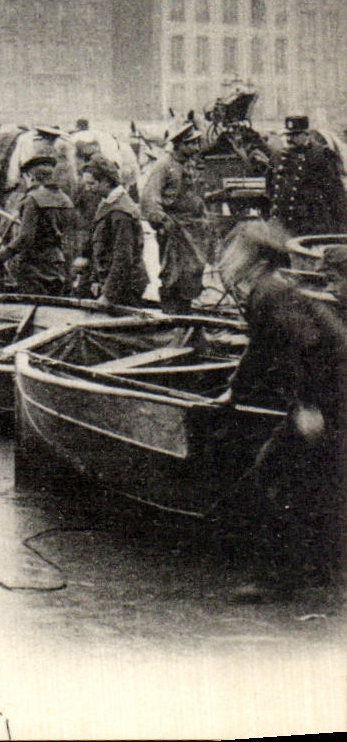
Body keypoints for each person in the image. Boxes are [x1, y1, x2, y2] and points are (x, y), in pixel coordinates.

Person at [221, 222, 347, 602]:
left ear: (253, 259)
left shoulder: (269, 293)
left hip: (326, 396)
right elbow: (260, 350)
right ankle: (318, 566)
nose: (229, 259)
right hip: (330, 394)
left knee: (273, 475)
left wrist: (308, 405)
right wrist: (235, 387)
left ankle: (278, 578)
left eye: (236, 252)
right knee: (320, 478)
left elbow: (308, 347)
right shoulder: (272, 288)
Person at [141, 123, 207, 313]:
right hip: (174, 229)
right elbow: (149, 198)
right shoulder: (164, 166)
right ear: (179, 145)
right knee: (173, 273)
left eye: (196, 143)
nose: (196, 148)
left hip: (192, 229)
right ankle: (173, 313)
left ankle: (185, 310)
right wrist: (162, 222)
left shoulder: (188, 165)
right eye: (191, 144)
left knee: (192, 272)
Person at [0, 154, 77, 296]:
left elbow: (25, 237)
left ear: (30, 177)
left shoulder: (33, 199)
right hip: (59, 262)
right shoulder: (66, 199)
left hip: (33, 265)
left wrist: (1, 257)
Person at [75, 157, 147, 307]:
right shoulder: (107, 203)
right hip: (112, 282)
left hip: (126, 287)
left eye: (91, 184)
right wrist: (95, 279)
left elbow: (123, 257)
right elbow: (100, 246)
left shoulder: (120, 213)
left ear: (106, 182)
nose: (87, 188)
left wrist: (108, 295)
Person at [268, 115, 347, 238]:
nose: (290, 139)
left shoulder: (321, 155)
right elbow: (270, 186)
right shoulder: (278, 156)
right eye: (288, 135)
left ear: (307, 134)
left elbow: (335, 192)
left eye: (295, 135)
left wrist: (341, 225)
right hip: (282, 222)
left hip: (310, 224)